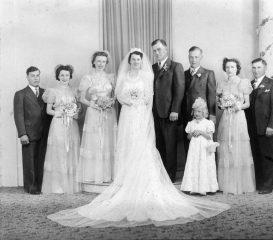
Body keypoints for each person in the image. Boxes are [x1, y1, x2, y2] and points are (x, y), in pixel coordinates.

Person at [47, 48, 230, 228]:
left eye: (138, 60)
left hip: (141, 113)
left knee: (142, 145)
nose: (135, 62)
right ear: (129, 61)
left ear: (141, 62)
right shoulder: (123, 76)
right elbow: (118, 94)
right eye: (133, 59)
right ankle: (125, 178)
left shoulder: (146, 76)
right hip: (127, 113)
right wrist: (128, 100)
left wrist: (141, 105)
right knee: (128, 143)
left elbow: (150, 96)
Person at [76, 51, 117, 184]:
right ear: (93, 62)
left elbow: (115, 96)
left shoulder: (111, 77)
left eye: (103, 62)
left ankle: (107, 175)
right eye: (98, 61)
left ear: (106, 63)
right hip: (94, 112)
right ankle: (93, 175)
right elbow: (81, 98)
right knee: (95, 141)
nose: (101, 64)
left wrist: (109, 103)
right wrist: (94, 105)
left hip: (108, 113)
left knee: (107, 141)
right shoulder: (88, 78)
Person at [217, 58, 256, 195]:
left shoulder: (243, 82)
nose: (229, 70)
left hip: (238, 118)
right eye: (227, 67)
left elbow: (247, 103)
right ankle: (227, 184)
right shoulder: (222, 83)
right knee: (227, 148)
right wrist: (223, 105)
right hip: (226, 118)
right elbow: (219, 103)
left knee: (238, 148)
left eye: (232, 67)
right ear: (225, 69)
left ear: (237, 68)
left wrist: (237, 106)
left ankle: (240, 184)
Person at [41, 65, 81, 194]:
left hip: (71, 124)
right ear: (58, 76)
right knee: (58, 152)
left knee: (71, 151)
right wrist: (60, 113)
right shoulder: (52, 91)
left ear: (70, 77)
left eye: (67, 75)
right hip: (58, 123)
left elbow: (78, 109)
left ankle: (71, 185)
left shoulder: (74, 91)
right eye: (62, 75)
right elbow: (48, 110)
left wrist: (74, 114)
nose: (64, 78)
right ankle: (58, 186)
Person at [245, 58, 273, 194]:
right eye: (254, 68)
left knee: (267, 157)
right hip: (251, 127)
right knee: (256, 156)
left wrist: (271, 125)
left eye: (259, 67)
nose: (256, 70)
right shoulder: (249, 85)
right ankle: (260, 184)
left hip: (266, 127)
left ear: (265, 68)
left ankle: (268, 186)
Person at [13, 66, 51, 194]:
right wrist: (22, 134)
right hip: (29, 133)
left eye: (37, 75)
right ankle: (31, 187)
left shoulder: (46, 92)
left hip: (44, 132)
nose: (36, 78)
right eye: (32, 75)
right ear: (27, 77)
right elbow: (18, 115)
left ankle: (40, 186)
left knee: (42, 160)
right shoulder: (20, 94)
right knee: (29, 161)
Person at [152, 39, 185, 182]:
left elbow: (179, 89)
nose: (157, 53)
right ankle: (161, 175)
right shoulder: (152, 67)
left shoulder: (176, 66)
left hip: (170, 113)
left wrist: (175, 110)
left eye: (159, 49)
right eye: (154, 50)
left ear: (166, 49)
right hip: (155, 113)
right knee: (159, 145)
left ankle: (170, 176)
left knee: (170, 145)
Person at [182, 46, 216, 154]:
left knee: (203, 143)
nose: (193, 60)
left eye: (196, 57)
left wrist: (212, 115)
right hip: (187, 113)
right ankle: (189, 169)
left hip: (202, 115)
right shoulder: (183, 74)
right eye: (191, 57)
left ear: (201, 57)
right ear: (188, 57)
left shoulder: (208, 73)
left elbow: (211, 95)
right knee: (188, 142)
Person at [181, 97, 219, 195]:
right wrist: (192, 133)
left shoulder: (208, 123)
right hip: (194, 148)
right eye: (195, 111)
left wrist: (201, 132)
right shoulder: (191, 123)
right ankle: (193, 187)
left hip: (204, 148)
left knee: (204, 164)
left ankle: (206, 187)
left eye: (199, 111)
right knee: (194, 164)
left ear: (204, 112)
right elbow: (189, 137)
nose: (197, 113)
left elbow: (209, 137)